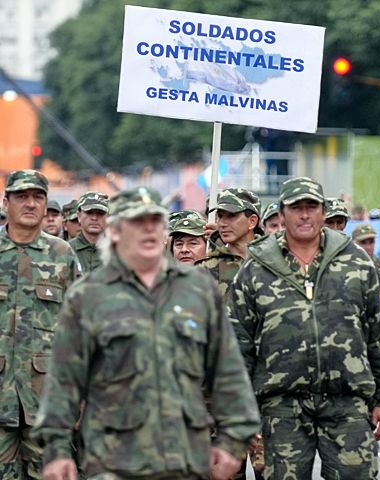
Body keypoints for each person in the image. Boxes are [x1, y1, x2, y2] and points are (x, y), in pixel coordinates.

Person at [34, 186, 260, 480]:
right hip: (112, 456)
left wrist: (233, 439)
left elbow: (227, 370)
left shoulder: (197, 289)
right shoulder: (88, 296)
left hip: (185, 454)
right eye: (137, 222)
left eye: (155, 221)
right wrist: (56, 448)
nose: (149, 230)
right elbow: (64, 380)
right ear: (115, 232)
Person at [228, 177, 380, 479]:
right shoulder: (256, 268)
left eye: (312, 207)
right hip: (281, 405)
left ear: (323, 212)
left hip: (347, 402)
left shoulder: (356, 263)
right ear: (281, 215)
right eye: (296, 208)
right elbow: (237, 343)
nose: (305, 215)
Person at [0, 170, 80, 478]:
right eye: (22, 197)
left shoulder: (62, 254)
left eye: (38, 197)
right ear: (6, 202)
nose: (30, 204)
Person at [196, 188, 260, 298]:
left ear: (252, 221)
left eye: (231, 216)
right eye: (220, 216)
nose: (222, 223)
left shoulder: (274, 261)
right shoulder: (205, 270)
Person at [69, 192, 109, 273]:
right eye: (89, 213)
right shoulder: (66, 250)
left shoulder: (118, 251)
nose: (94, 218)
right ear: (79, 216)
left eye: (100, 213)